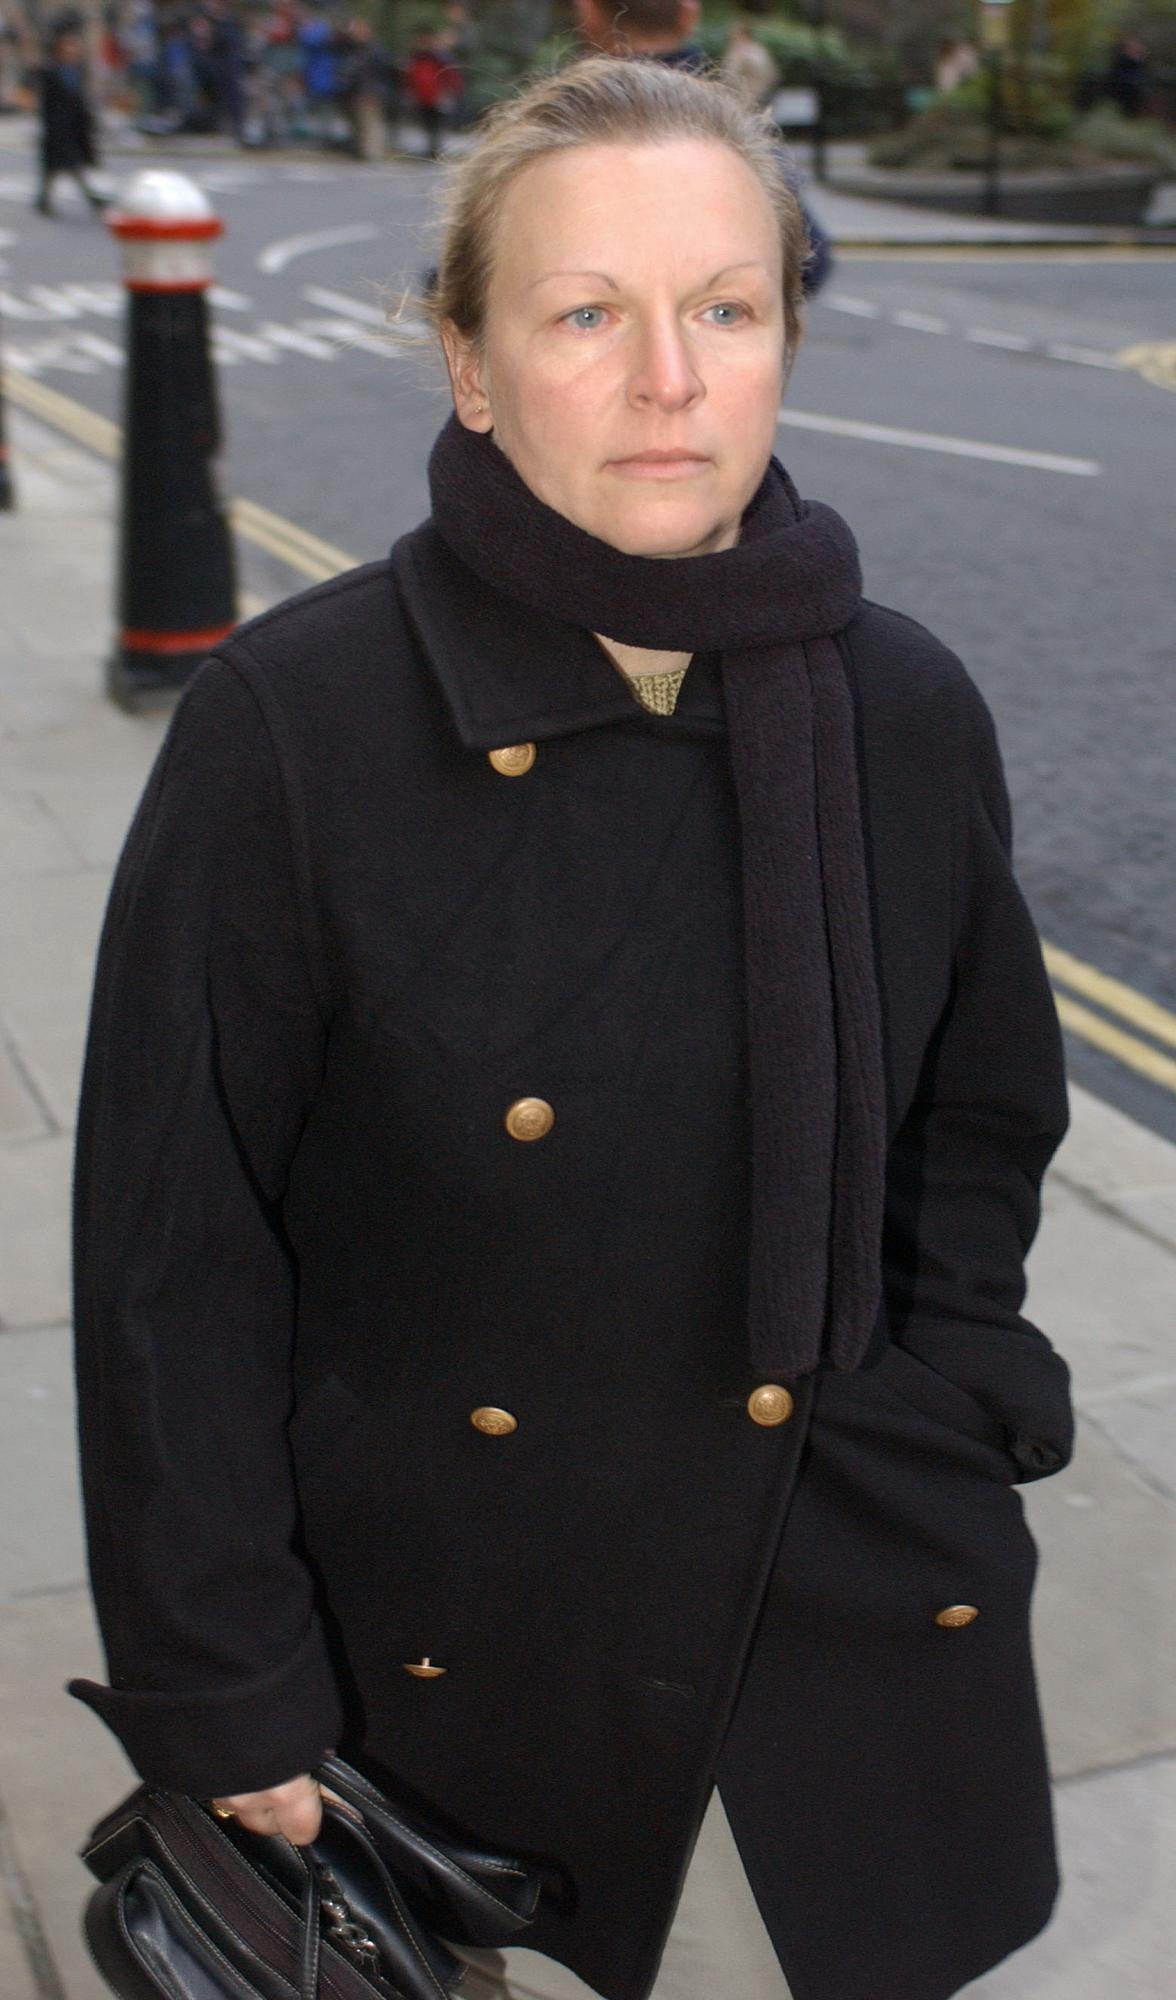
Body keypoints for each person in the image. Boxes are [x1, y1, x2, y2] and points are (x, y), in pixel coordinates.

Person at [68, 55, 1075, 2000]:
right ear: (468, 360)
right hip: (454, 1658)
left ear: (786, 332)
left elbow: (985, 1107)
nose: (668, 378)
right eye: (586, 312)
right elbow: (173, 1260)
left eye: (723, 305)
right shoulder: (300, 731)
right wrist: (227, 1677)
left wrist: (966, 1388)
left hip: (841, 1602)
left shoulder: (906, 705)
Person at [575, 0, 833, 296]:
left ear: (588, 12)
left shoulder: (554, 132)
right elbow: (810, 261)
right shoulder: (735, 130)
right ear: (689, 14)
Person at [33, 22, 109, 217]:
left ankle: (44, 199)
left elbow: (79, 98)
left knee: (60, 167)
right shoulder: (51, 71)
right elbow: (47, 103)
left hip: (74, 127)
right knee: (65, 165)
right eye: (69, 46)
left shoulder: (76, 70)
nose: (74, 49)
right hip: (58, 127)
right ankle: (90, 197)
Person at [721, 18, 779, 110]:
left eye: (733, 34)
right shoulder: (757, 50)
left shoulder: (743, 51)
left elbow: (729, 76)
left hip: (749, 99)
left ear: (742, 34)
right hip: (754, 97)